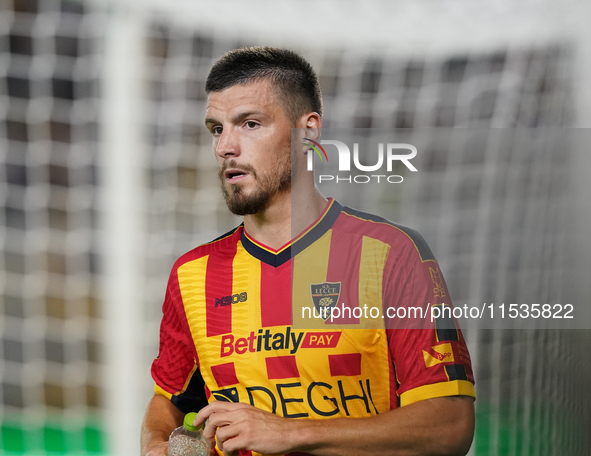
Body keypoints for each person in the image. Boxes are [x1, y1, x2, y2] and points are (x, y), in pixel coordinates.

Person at [140, 47, 475, 456]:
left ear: (308, 131)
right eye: (216, 128)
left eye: (249, 123)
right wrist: (158, 443)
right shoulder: (193, 274)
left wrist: (289, 432)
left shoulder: (388, 252)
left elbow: (451, 425)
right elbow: (170, 401)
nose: (225, 146)